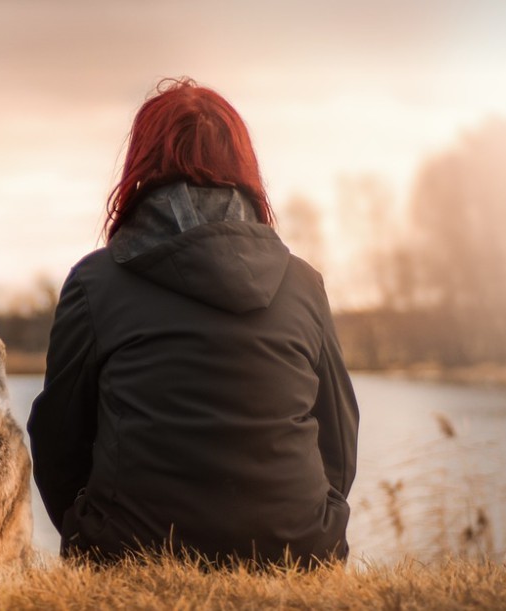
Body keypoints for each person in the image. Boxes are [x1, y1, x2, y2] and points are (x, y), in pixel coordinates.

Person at [27, 78, 359, 567]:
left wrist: (88, 529)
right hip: (297, 550)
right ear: (243, 166)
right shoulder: (303, 283)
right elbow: (339, 436)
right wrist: (313, 522)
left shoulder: (95, 283)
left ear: (141, 165)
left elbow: (57, 438)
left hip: (129, 550)